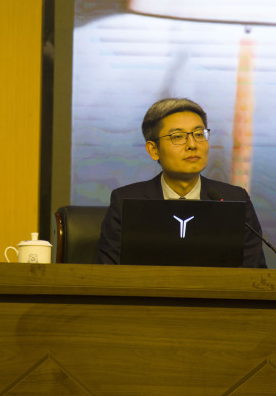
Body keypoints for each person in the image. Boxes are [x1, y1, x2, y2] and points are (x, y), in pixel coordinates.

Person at [96, 97, 267, 268]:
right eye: (178, 137)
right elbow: (108, 272)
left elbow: (254, 274)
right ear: (153, 150)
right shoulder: (126, 201)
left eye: (199, 134)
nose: (192, 145)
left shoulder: (234, 199)